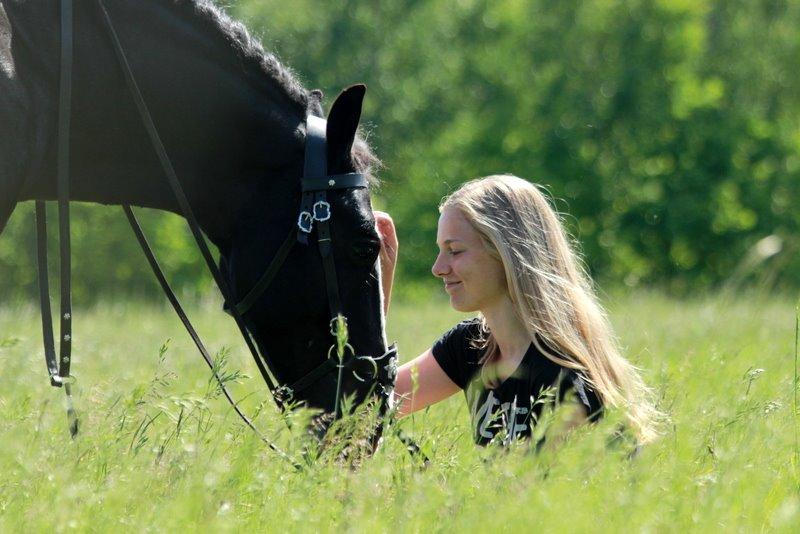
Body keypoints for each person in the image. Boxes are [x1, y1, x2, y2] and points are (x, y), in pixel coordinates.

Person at [374, 175, 659, 447]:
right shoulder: (470, 347)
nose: (438, 268)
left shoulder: (564, 379)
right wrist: (380, 275)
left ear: (506, 252)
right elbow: (368, 405)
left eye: (455, 251)